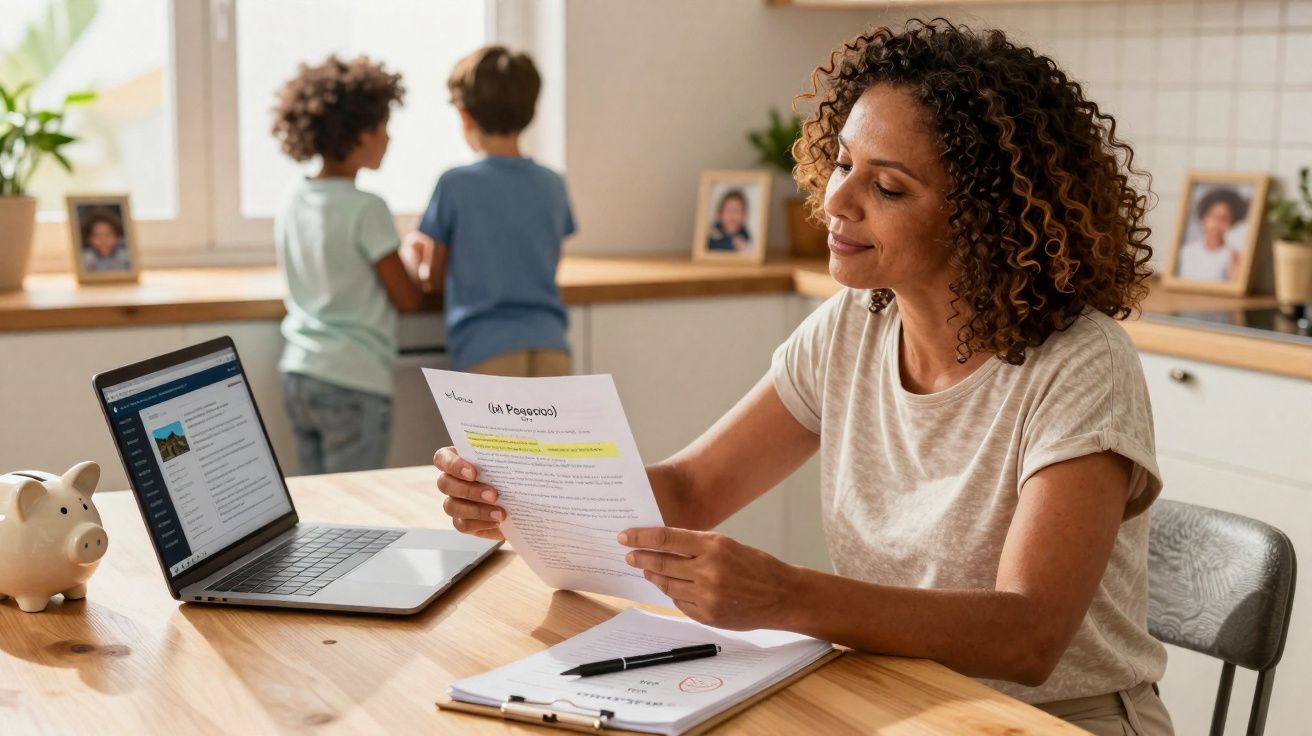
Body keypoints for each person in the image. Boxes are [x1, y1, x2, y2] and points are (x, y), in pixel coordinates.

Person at [432, 20, 1176, 735]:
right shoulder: (853, 327)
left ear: (986, 218)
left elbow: (1028, 636)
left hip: (1056, 722)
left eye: (887, 188)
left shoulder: (1082, 363)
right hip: (900, 695)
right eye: (844, 162)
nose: (835, 201)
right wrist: (519, 497)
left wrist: (784, 595)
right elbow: (693, 491)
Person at [270, 55, 432, 475]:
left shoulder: (293, 196)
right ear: (362, 136)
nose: (388, 138)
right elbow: (408, 297)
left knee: (317, 503)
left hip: (300, 372)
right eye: (383, 127)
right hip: (354, 382)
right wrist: (414, 255)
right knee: (356, 506)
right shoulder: (367, 208)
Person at [406, 45, 575, 377]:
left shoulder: (455, 184)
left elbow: (437, 279)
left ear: (464, 115)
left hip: (485, 351)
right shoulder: (552, 183)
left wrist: (417, 257)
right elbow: (549, 262)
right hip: (552, 346)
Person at [1176, 187, 1249, 282]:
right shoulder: (1186, 252)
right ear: (1203, 217)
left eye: (1224, 219)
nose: (1216, 224)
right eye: (1213, 216)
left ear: (1232, 223)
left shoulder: (1232, 255)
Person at [80, 208, 132, 272]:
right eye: (97, 236)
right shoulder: (85, 259)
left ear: (117, 236)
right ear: (89, 238)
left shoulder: (126, 257)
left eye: (108, 235)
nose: (103, 240)